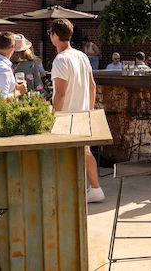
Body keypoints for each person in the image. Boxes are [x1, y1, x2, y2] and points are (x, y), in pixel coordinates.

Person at [49, 18, 104, 202]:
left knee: (65, 156)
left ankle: (72, 192)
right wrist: (89, 110)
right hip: (82, 113)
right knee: (84, 151)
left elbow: (61, 94)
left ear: (55, 35)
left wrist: (53, 116)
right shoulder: (81, 56)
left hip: (66, 116)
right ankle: (95, 189)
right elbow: (92, 85)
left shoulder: (60, 60)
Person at [0, 32, 27, 98]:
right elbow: (2, 99)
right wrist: (19, 91)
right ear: (13, 47)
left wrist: (14, 86)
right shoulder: (4, 69)